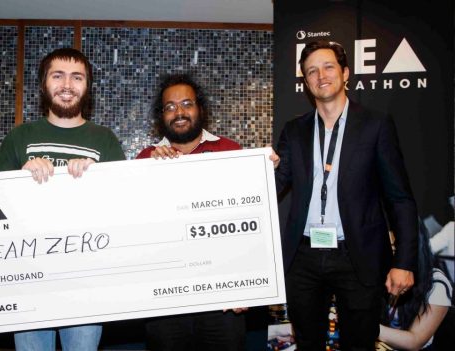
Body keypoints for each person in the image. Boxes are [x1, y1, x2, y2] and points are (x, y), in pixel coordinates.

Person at [274, 40, 419, 350]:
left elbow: (400, 198)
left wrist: (404, 261)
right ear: (305, 81)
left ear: (345, 73)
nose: (320, 75)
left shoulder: (376, 125)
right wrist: (260, 170)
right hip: (303, 257)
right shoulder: (294, 130)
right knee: (308, 343)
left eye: (328, 67)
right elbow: (274, 185)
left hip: (358, 256)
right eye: (311, 71)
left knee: (360, 344)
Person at [0, 47, 125, 350]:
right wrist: (19, 179)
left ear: (87, 86)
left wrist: (98, 180)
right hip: (27, 278)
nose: (67, 85)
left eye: (77, 77)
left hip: (86, 279)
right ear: (43, 84)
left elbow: (122, 209)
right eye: (58, 76)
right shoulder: (20, 137)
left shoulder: (104, 139)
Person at [136, 73, 246, 351]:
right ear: (161, 116)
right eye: (170, 107)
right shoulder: (144, 160)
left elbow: (248, 226)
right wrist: (147, 170)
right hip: (166, 303)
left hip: (223, 300)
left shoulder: (231, 152)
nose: (179, 112)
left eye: (187, 103)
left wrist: (249, 286)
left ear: (200, 109)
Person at [377, 222, 453, 350]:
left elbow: (414, 341)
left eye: (395, 248)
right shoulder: (380, 273)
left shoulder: (436, 283)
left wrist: (366, 326)